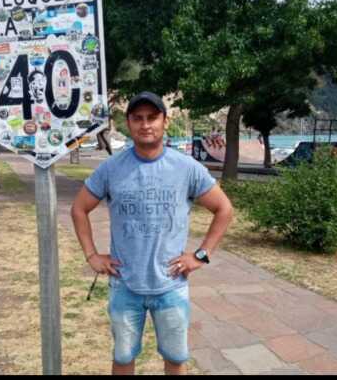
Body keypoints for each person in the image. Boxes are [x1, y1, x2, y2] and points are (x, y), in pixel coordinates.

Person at [70, 91, 233, 375]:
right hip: (125, 284)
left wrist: (201, 255)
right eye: (138, 118)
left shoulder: (187, 168)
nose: (145, 125)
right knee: (123, 357)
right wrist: (91, 255)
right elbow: (79, 209)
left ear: (165, 121)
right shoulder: (111, 169)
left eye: (152, 117)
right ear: (129, 124)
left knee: (175, 358)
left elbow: (224, 209)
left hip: (171, 285)